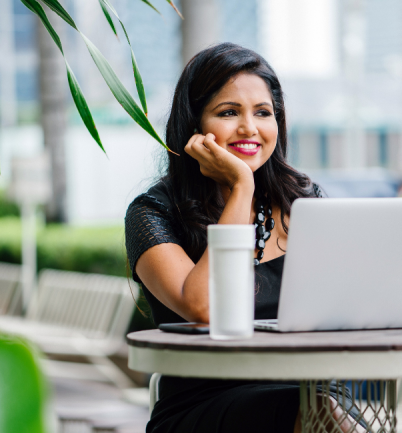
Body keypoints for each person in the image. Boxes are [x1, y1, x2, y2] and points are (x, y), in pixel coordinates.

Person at [125, 43, 362, 433]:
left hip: (313, 393)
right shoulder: (153, 213)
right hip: (204, 407)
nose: (249, 128)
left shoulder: (304, 204)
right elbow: (205, 308)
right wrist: (241, 187)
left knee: (326, 409)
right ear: (194, 125)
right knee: (320, 413)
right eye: (229, 112)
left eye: (263, 113)